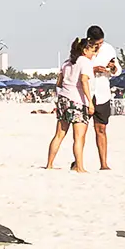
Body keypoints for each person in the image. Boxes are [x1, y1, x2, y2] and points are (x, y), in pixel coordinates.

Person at [44, 38, 92, 172]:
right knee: (79, 137)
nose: (93, 53)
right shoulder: (85, 62)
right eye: (92, 50)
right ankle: (80, 167)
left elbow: (58, 82)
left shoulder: (66, 63)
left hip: (63, 99)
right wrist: (90, 102)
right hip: (77, 100)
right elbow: (84, 80)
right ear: (85, 50)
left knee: (59, 134)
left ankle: (49, 164)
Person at [80, 26, 121, 171]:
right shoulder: (81, 49)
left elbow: (117, 70)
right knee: (80, 131)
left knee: (101, 128)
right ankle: (78, 163)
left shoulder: (109, 49)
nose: (99, 46)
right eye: (97, 44)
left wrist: (113, 67)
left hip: (103, 93)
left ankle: (103, 163)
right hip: (85, 94)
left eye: (101, 43)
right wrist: (93, 69)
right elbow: (76, 68)